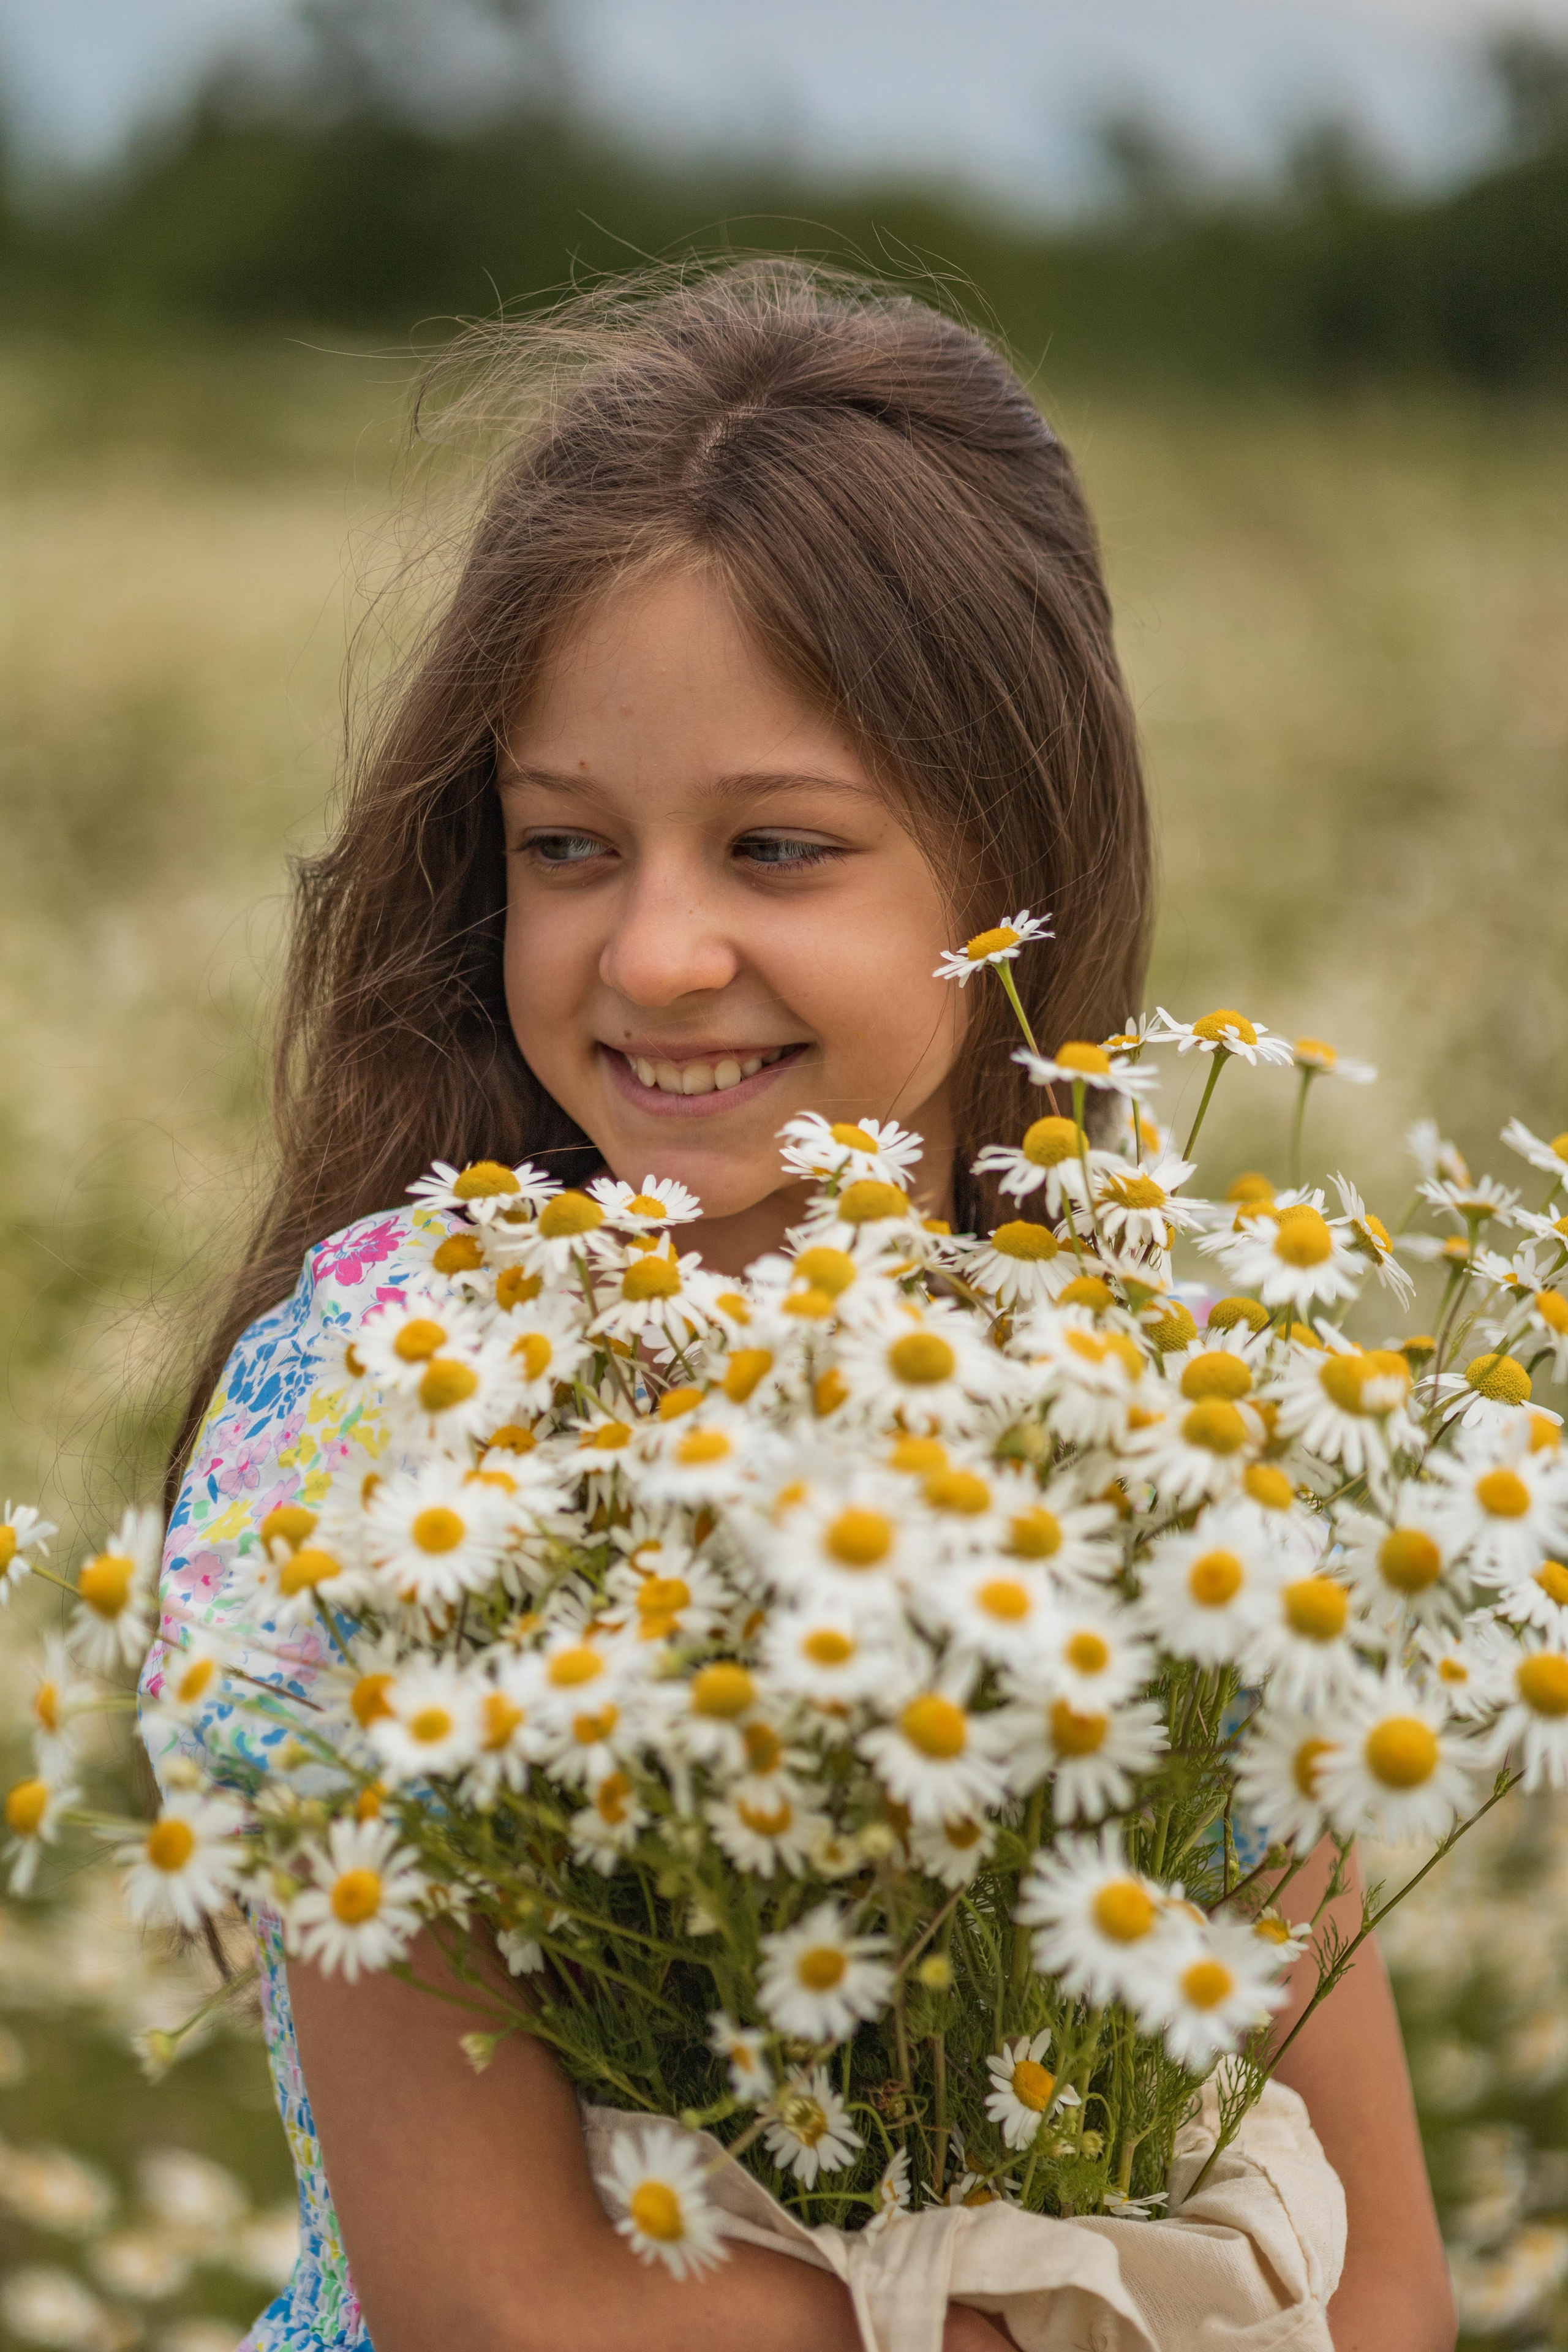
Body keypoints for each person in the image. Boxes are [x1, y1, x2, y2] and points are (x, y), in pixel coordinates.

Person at [144, 263, 1455, 2352]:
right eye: (568, 847)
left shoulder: (1142, 1420)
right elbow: (498, 2306)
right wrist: (1072, 2316)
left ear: (1006, 873)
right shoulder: (402, 1407)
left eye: (775, 847)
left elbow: (1386, 2268)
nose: (656, 950)